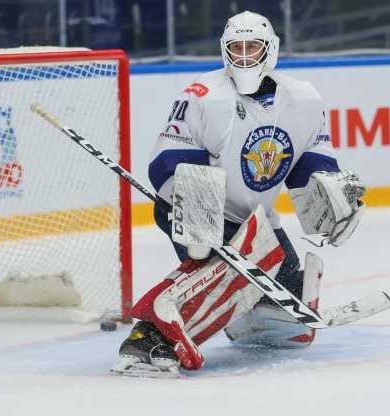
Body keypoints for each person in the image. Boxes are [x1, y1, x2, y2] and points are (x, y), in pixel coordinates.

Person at [111, 10, 366, 376]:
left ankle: (253, 319)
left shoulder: (304, 99)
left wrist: (331, 200)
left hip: (255, 220)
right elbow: (168, 159)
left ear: (270, 49)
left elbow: (309, 164)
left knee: (286, 294)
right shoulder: (203, 95)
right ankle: (146, 338)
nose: (244, 55)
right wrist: (198, 215)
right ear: (225, 50)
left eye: (252, 47)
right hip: (189, 207)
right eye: (237, 47)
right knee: (219, 281)